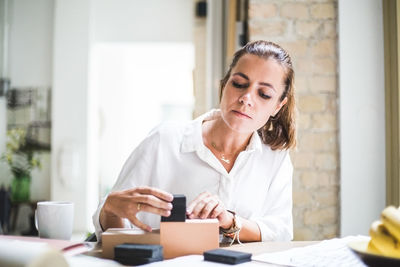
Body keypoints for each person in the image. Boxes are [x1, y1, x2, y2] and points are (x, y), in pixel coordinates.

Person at [93, 40, 296, 243]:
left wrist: (229, 221)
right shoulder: (164, 141)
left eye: (264, 94)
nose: (246, 98)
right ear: (224, 84)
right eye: (239, 84)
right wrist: (111, 211)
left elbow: (280, 232)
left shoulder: (275, 157)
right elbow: (113, 233)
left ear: (278, 106)